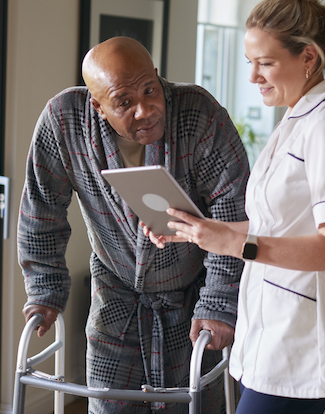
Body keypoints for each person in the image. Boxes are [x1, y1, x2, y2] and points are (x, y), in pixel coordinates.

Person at [145, 1, 325, 412]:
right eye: (250, 62)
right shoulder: (295, 123)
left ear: (308, 56)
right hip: (268, 334)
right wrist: (193, 228)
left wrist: (237, 245)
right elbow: (274, 225)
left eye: (265, 63)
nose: (252, 76)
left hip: (300, 344)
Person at [17, 36, 250, 413]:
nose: (145, 110)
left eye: (150, 90)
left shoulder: (199, 114)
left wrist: (219, 302)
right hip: (115, 290)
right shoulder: (64, 121)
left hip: (194, 296)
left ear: (158, 77)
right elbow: (41, 208)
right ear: (97, 106)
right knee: (109, 405)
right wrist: (44, 289)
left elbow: (234, 211)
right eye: (124, 102)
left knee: (196, 404)